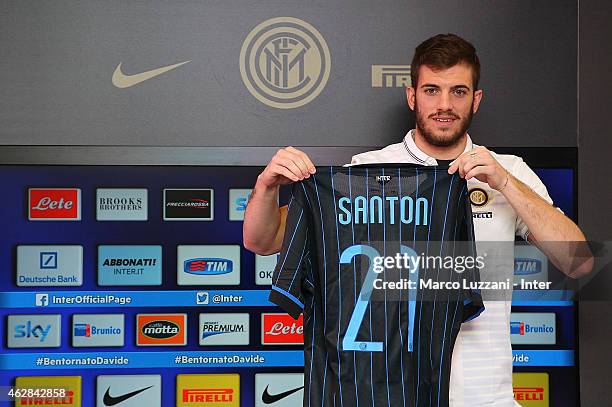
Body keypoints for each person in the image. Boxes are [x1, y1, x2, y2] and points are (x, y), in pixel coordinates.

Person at [243, 33, 592, 406]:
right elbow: (262, 241)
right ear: (412, 96)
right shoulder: (368, 171)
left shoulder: (508, 170)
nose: (444, 104)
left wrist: (506, 184)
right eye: (431, 90)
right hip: (394, 396)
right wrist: (266, 187)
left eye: (458, 91)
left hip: (485, 397)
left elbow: (579, 261)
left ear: (476, 100)